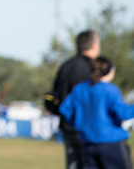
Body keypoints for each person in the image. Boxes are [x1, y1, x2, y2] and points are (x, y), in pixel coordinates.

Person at [59, 56, 134, 169]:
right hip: (112, 143)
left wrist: (77, 123)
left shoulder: (80, 88)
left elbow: (64, 109)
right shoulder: (110, 89)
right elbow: (124, 114)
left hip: (88, 144)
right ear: (110, 71)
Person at [50, 30, 101, 169]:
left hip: (68, 127)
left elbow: (55, 96)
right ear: (94, 45)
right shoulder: (95, 68)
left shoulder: (66, 66)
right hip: (89, 129)